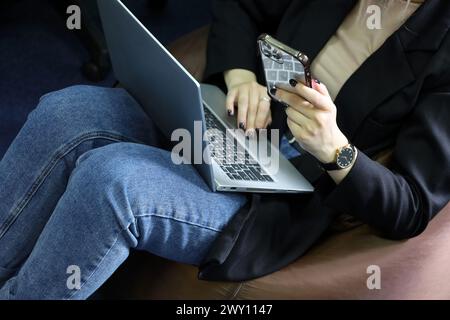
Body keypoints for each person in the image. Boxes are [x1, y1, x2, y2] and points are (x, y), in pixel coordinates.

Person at [1, 0, 449, 299]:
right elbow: (241, 4)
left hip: (285, 197)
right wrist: (240, 76)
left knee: (112, 180)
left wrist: (335, 148)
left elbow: (409, 206)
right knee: (66, 110)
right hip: (233, 122)